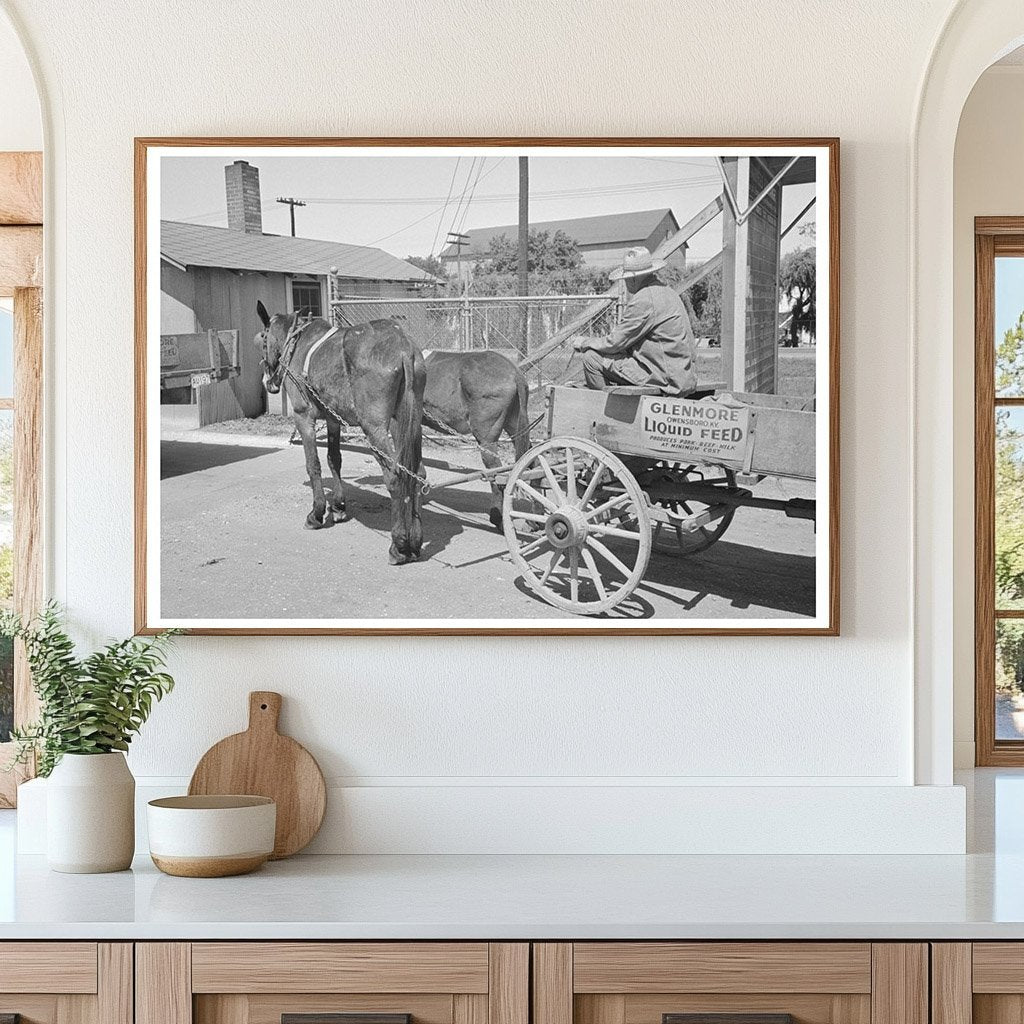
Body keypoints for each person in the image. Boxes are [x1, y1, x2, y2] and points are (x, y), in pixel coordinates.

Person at [574, 246, 697, 397]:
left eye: (625, 279)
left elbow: (614, 343)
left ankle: (604, 409)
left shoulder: (644, 299)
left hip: (665, 378)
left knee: (591, 358)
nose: (625, 283)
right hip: (681, 374)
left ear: (632, 278)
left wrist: (584, 342)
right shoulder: (668, 292)